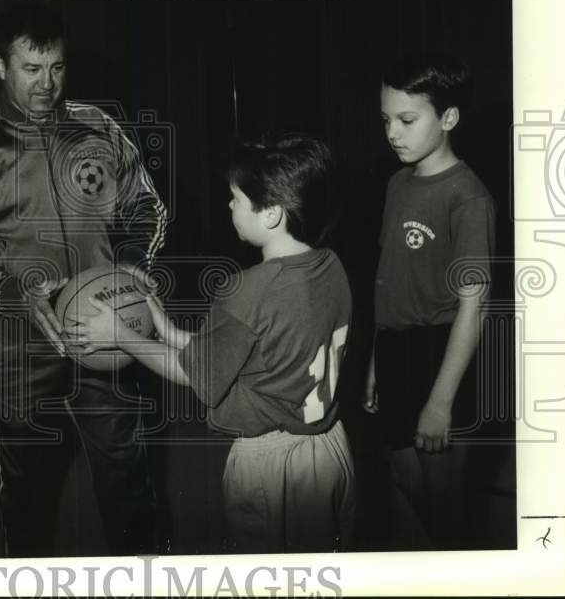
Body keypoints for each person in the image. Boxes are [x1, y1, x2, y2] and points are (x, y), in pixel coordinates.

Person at [0, 4, 167, 557]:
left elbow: (146, 207)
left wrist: (133, 260)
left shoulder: (100, 128)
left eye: (57, 68)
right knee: (26, 492)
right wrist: (14, 294)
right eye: (31, 69)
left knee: (127, 477)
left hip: (106, 330)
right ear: (0, 66)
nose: (47, 83)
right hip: (20, 344)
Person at [70, 134, 355, 553]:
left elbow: (192, 372)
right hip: (329, 447)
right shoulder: (331, 266)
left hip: (270, 461)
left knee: (268, 576)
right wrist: (168, 330)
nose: (229, 206)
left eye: (235, 198)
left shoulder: (246, 291)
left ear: (272, 213)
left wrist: (120, 335)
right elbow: (259, 348)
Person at [363, 57, 495, 549]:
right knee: (403, 482)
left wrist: (441, 402)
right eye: (385, 119)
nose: (392, 132)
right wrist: (378, 361)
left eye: (407, 120)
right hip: (397, 349)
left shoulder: (468, 197)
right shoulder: (398, 183)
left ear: (449, 119)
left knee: (443, 505)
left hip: (442, 355)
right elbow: (390, 280)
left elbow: (474, 307)